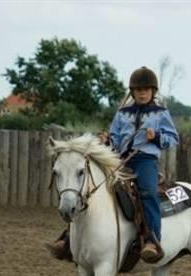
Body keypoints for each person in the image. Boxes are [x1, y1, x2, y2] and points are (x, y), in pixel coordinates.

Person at [46, 66, 180, 263]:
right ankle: (68, 237)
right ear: (132, 92)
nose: (142, 93)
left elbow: (173, 137)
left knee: (148, 192)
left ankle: (152, 240)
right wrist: (107, 140)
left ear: (153, 92)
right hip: (120, 159)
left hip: (145, 160)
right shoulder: (122, 114)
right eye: (138, 90)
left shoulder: (161, 113)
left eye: (146, 90)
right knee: (92, 189)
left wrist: (157, 136)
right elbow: (115, 138)